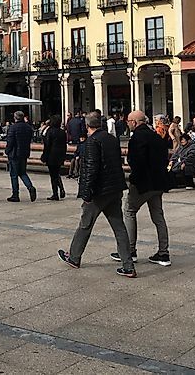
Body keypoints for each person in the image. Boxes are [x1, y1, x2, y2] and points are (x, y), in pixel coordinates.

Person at [58, 111, 136, 278]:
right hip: (114, 188)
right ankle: (128, 265)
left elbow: (91, 169)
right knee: (119, 227)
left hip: (99, 191)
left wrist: (86, 193)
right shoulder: (111, 139)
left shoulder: (92, 142)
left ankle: (73, 256)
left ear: (87, 126)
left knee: (85, 224)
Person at [117, 109, 172, 267]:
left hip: (143, 183)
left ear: (134, 122)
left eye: (128, 121)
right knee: (158, 216)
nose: (128, 123)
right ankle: (163, 253)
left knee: (129, 211)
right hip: (159, 182)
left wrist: (134, 180)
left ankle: (130, 251)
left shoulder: (137, 138)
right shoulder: (156, 136)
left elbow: (135, 161)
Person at [5, 110, 37, 202]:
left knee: (14, 174)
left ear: (15, 118)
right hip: (24, 153)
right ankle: (30, 187)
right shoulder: (28, 127)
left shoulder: (13, 128)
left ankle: (15, 194)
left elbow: (10, 141)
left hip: (14, 154)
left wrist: (7, 151)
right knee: (22, 172)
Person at [41, 115, 67, 200]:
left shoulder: (50, 131)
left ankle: (55, 193)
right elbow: (64, 145)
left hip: (51, 155)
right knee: (57, 173)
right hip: (60, 155)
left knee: (53, 175)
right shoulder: (62, 132)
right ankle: (61, 189)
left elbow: (47, 145)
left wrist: (44, 156)